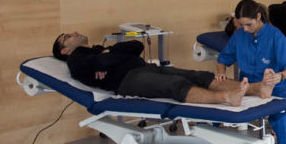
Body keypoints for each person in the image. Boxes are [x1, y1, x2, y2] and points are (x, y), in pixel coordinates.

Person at [52, 32, 273, 106]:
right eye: (68, 36)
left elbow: (137, 45)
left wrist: (109, 54)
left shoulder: (101, 50)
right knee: (175, 85)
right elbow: (102, 65)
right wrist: (107, 58)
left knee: (198, 75)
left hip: (144, 68)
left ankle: (256, 89)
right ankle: (227, 97)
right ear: (65, 51)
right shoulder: (77, 60)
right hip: (127, 81)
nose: (74, 32)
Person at [216, 0, 286, 100]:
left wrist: (280, 76)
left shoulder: (275, 36)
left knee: (281, 115)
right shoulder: (239, 35)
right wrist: (221, 73)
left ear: (258, 17)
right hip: (247, 90)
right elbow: (222, 59)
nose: (245, 29)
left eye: (249, 24)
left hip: (274, 91)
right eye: (242, 25)